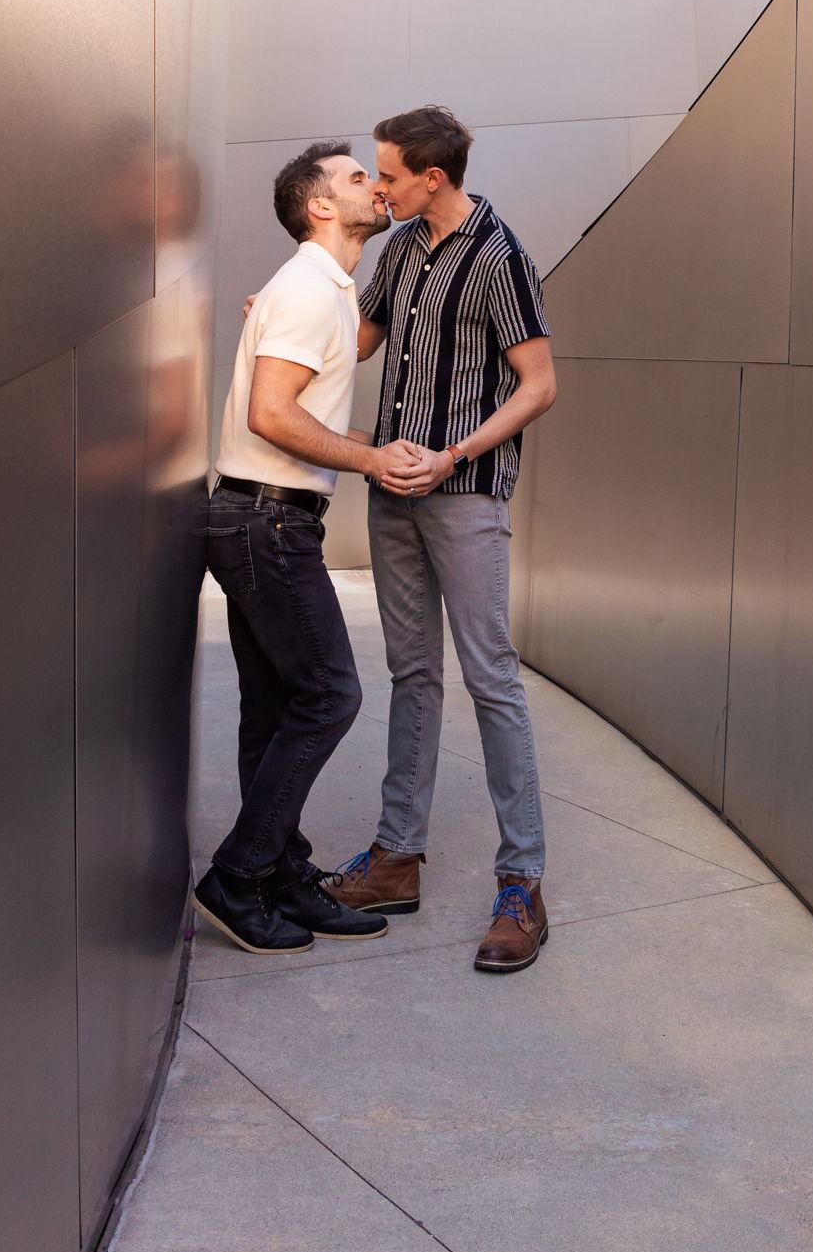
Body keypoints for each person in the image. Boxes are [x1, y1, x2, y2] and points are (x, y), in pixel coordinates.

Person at [319, 107, 562, 974]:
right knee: (412, 673)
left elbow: (539, 385)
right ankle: (396, 859)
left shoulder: (500, 257)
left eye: (387, 174)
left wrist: (454, 454)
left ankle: (522, 882)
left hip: (463, 497)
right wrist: (294, 315)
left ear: (434, 177)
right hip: (392, 496)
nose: (376, 186)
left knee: (491, 675)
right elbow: (353, 344)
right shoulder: (398, 250)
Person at [191, 143, 401, 957]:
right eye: (356, 179)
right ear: (319, 206)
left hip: (255, 519)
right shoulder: (311, 290)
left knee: (276, 709)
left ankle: (279, 875)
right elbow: (272, 416)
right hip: (268, 527)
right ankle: (240, 877)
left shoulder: (319, 291)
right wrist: (375, 458)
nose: (374, 187)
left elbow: (291, 415)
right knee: (330, 697)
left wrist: (371, 445)